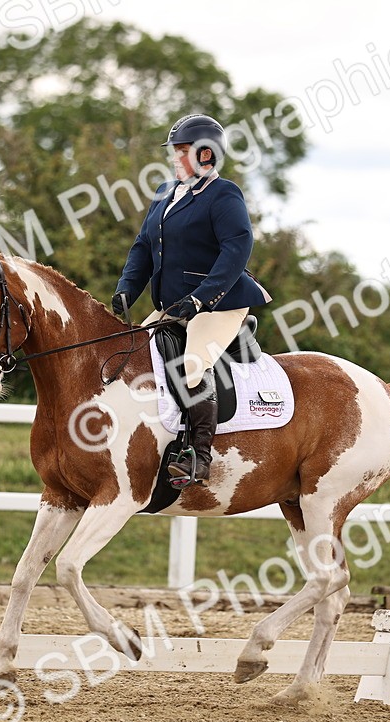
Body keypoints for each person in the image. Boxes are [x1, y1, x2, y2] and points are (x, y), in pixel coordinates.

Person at [112, 113, 271, 486]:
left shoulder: (223, 193)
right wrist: (126, 289)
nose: (174, 158)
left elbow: (237, 248)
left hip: (219, 304)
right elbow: (143, 247)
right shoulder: (165, 194)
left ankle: (197, 457)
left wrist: (201, 299)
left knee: (192, 367)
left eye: (182, 151)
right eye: (175, 151)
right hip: (172, 306)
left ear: (206, 155)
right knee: (130, 357)